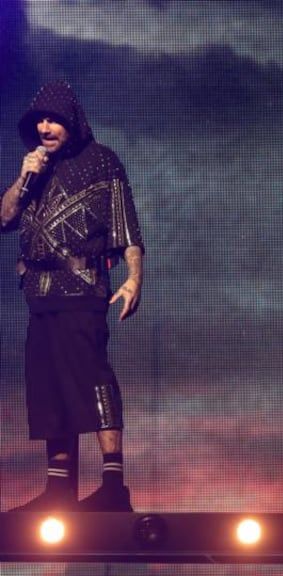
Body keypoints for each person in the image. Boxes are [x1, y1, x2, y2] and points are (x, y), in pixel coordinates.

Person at [1, 80, 144, 513]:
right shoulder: (35, 169)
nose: (45, 126)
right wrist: (26, 177)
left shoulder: (102, 161)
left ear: (72, 122)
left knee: (90, 377)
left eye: (54, 119)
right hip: (39, 294)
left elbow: (127, 231)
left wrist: (135, 277)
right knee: (47, 386)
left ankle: (113, 486)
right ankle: (59, 489)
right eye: (39, 120)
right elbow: (4, 218)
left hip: (83, 291)